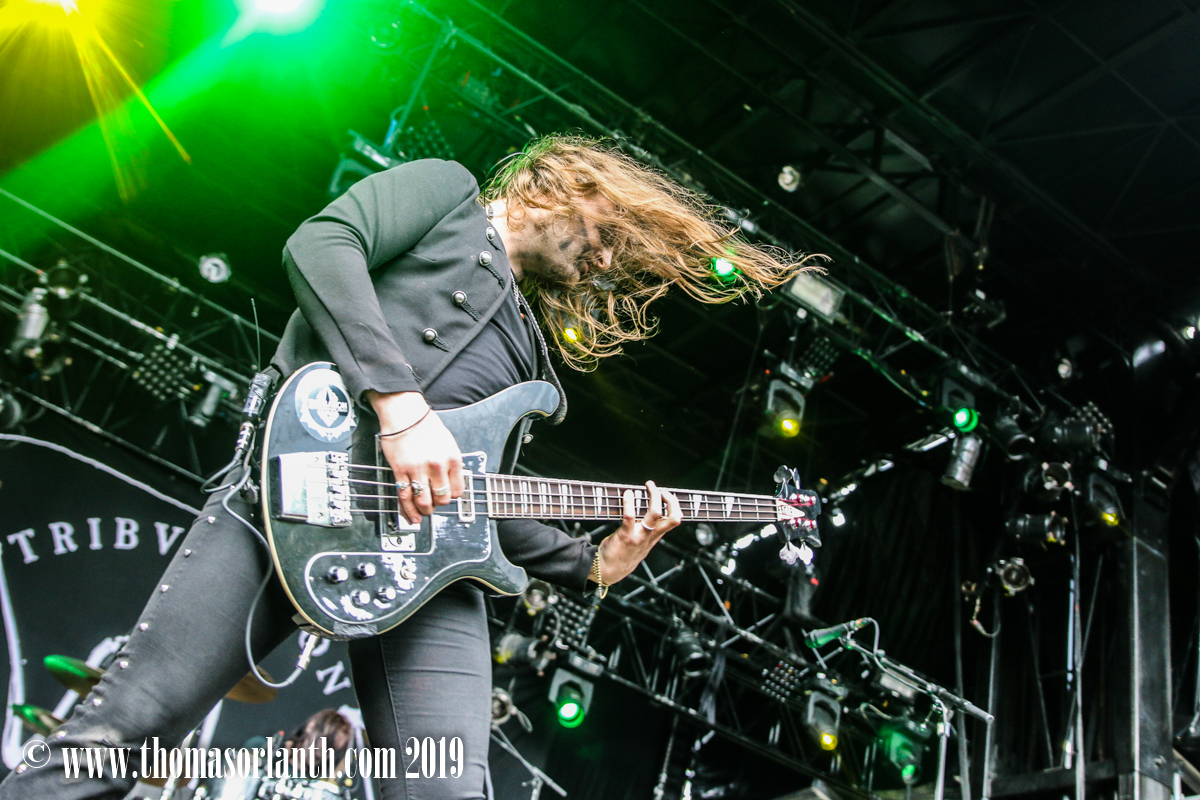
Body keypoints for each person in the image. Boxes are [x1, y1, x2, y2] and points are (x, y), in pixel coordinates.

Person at [0, 134, 806, 800]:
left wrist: (596, 560)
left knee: (446, 788)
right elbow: (322, 243)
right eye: (610, 234)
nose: (605, 260)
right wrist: (400, 407)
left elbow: (471, 504)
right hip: (292, 499)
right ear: (568, 183)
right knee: (119, 733)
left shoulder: (530, 352)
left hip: (422, 576)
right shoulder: (449, 195)